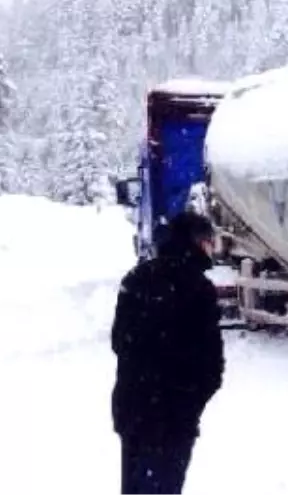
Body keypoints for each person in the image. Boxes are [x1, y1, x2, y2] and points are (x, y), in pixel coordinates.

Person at [111, 211, 225, 495]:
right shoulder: (199, 288)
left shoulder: (136, 277)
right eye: (210, 241)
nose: (212, 247)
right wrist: (190, 401)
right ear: (197, 242)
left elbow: (119, 341)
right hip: (172, 417)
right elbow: (211, 363)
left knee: (135, 487)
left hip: (132, 409)